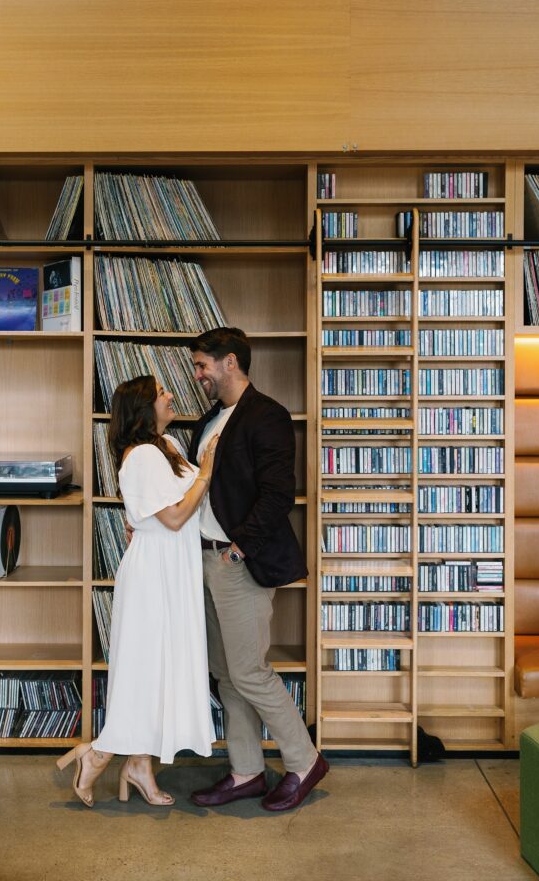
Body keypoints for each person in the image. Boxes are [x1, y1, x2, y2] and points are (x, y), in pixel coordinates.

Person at [57, 374, 218, 807]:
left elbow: (163, 510)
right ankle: (99, 754)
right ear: (144, 408)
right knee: (146, 668)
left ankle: (138, 764)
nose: (170, 396)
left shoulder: (167, 448)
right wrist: (207, 472)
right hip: (154, 573)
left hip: (171, 567)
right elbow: (174, 517)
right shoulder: (145, 454)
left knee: (158, 668)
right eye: (162, 392)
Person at [187, 327, 329, 813]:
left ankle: (305, 761)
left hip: (235, 561)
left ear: (231, 362)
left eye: (202, 364)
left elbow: (277, 495)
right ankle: (246, 772)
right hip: (202, 558)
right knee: (226, 673)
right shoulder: (210, 420)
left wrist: (238, 548)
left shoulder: (266, 415)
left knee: (250, 671)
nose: (197, 373)